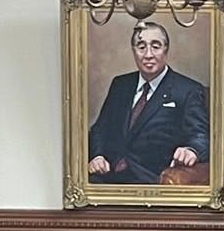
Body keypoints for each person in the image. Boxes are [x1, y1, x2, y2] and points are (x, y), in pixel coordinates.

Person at [88, 21, 209, 185]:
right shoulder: (120, 84)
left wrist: (191, 150)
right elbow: (100, 129)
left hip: (152, 180)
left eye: (156, 46)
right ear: (133, 51)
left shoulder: (188, 90)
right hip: (107, 175)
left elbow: (201, 136)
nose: (148, 55)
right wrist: (98, 156)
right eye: (141, 47)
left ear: (166, 49)